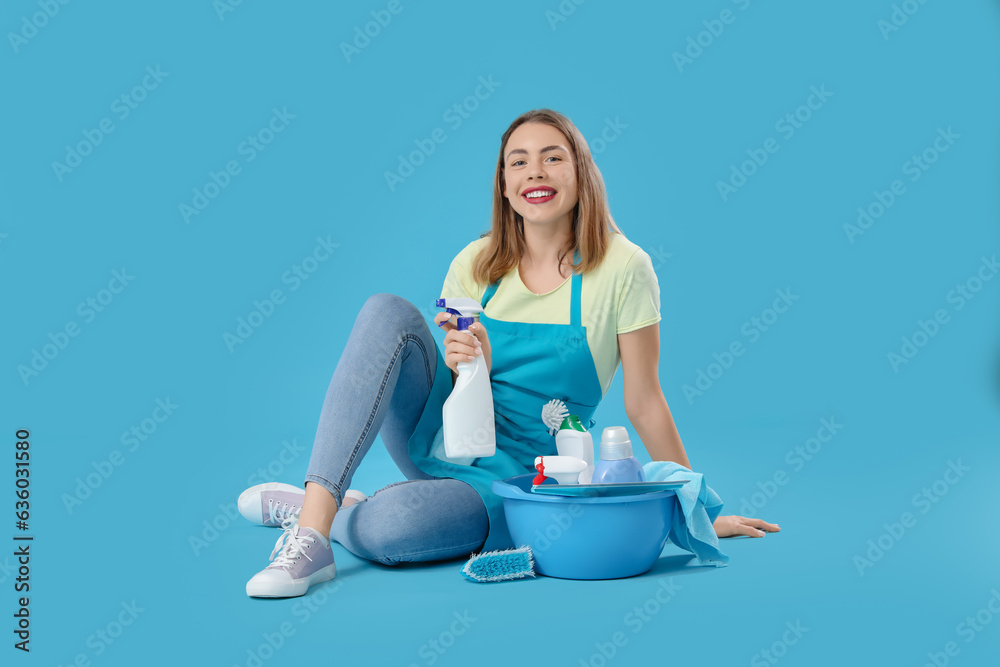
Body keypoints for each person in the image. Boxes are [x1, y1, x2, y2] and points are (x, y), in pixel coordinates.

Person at [239, 108, 780, 598]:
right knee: (386, 312)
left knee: (390, 532)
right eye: (518, 162)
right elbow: (451, 386)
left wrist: (698, 508)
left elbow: (644, 401)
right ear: (503, 183)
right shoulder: (475, 263)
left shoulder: (623, 268)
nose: (534, 173)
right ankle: (312, 531)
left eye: (552, 158)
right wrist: (463, 359)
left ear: (581, 172)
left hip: (524, 475)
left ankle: (338, 506)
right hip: (444, 435)